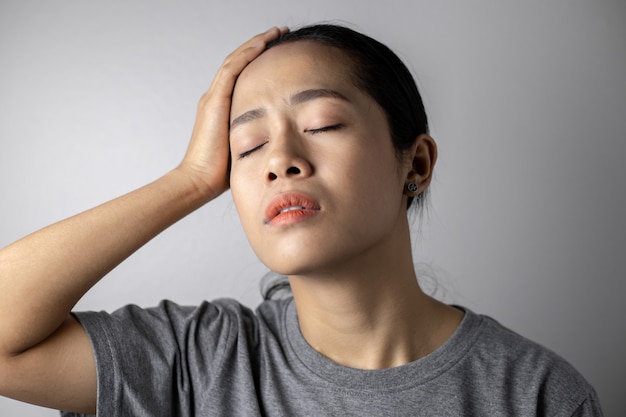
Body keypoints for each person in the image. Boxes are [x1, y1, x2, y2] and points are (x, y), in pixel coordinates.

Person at [0, 24, 602, 416]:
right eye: (248, 147)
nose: (282, 161)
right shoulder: (199, 360)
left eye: (322, 125)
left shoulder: (536, 393)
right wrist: (188, 180)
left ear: (414, 162)